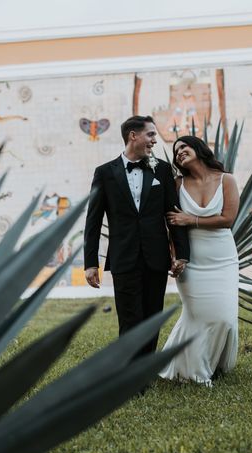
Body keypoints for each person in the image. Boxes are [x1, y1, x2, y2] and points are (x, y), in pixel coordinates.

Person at [84, 116, 190, 357]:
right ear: (133, 135)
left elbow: (172, 214)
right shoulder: (104, 173)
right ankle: (128, 372)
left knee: (153, 316)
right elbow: (93, 220)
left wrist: (181, 253)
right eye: (151, 134)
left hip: (156, 257)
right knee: (130, 318)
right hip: (124, 257)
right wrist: (91, 263)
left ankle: (144, 369)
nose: (154, 140)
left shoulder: (162, 169)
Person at [159, 135, 240, 386]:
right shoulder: (176, 184)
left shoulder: (226, 180)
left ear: (198, 148)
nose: (179, 152)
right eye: (176, 151)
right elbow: (171, 224)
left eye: (184, 146)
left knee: (224, 317)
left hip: (223, 258)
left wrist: (190, 220)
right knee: (196, 315)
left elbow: (227, 219)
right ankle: (195, 371)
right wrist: (175, 255)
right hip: (191, 260)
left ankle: (210, 362)